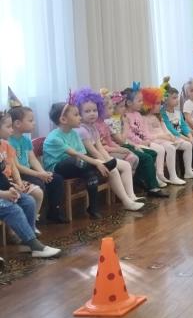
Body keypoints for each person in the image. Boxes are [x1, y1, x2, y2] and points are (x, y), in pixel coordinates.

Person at [73, 88, 145, 211]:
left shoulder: (93, 127)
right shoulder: (81, 130)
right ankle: (126, 201)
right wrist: (108, 163)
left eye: (95, 110)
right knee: (113, 170)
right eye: (87, 111)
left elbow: (100, 147)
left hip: (97, 158)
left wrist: (109, 159)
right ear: (79, 113)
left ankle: (131, 196)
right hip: (87, 160)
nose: (92, 113)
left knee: (126, 165)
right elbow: (92, 151)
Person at [0, 112, 60, 259]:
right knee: (12, 209)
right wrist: (5, 194)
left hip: (4, 189)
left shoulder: (4, 145)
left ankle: (27, 241)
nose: (11, 130)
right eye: (8, 126)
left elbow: (6, 173)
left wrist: (13, 186)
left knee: (28, 201)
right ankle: (34, 245)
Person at [43, 100, 112, 220]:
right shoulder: (54, 137)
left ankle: (93, 208)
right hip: (57, 168)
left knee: (90, 174)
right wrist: (96, 162)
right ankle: (99, 166)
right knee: (73, 161)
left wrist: (94, 163)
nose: (80, 117)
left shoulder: (74, 134)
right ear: (63, 120)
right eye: (76, 115)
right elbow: (75, 154)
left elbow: (82, 154)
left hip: (76, 165)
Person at [101, 90, 168, 198]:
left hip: (124, 145)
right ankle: (152, 187)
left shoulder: (119, 118)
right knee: (146, 157)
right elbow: (121, 140)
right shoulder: (112, 121)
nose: (124, 109)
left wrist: (134, 145)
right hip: (120, 146)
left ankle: (139, 179)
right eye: (121, 107)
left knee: (152, 153)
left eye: (124, 106)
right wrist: (126, 126)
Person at [8, 105, 67, 223]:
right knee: (39, 183)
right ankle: (31, 219)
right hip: (18, 173)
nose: (34, 123)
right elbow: (17, 167)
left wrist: (43, 172)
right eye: (30, 120)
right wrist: (39, 175)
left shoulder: (25, 139)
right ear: (18, 123)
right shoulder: (9, 141)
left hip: (29, 171)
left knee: (55, 179)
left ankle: (54, 213)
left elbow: (33, 159)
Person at [123, 87, 185, 186]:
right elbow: (129, 134)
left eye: (142, 101)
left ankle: (162, 175)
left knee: (164, 148)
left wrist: (147, 139)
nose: (142, 103)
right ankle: (157, 176)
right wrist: (142, 141)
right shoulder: (126, 116)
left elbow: (144, 131)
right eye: (139, 101)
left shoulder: (138, 115)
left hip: (146, 141)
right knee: (159, 149)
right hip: (137, 143)